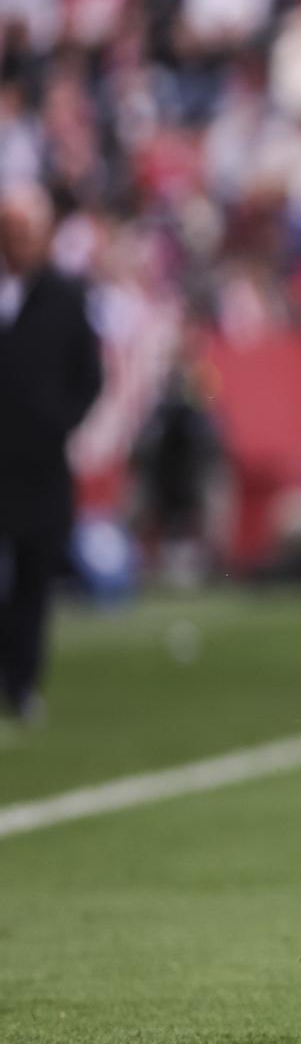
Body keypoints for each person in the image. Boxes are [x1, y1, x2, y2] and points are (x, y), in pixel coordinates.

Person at [0, 184, 103, 728]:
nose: (17, 243)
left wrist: (56, 421)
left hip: (40, 463)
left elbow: (89, 376)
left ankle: (22, 683)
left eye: (25, 233)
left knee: (34, 575)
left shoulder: (64, 296)